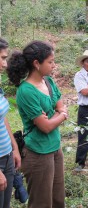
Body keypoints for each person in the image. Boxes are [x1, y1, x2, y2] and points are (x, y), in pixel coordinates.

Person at [7, 41, 67, 208]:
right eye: (50, 62)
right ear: (36, 64)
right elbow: (45, 127)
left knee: (58, 199)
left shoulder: (48, 81)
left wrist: (56, 115)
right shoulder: (26, 91)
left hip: (55, 147)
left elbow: (61, 105)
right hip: (38, 153)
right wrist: (61, 116)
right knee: (41, 202)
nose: (53, 65)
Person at [0, 38, 21, 208]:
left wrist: (14, 148)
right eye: (2, 58)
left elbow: (3, 118)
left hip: (6, 157)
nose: (5, 64)